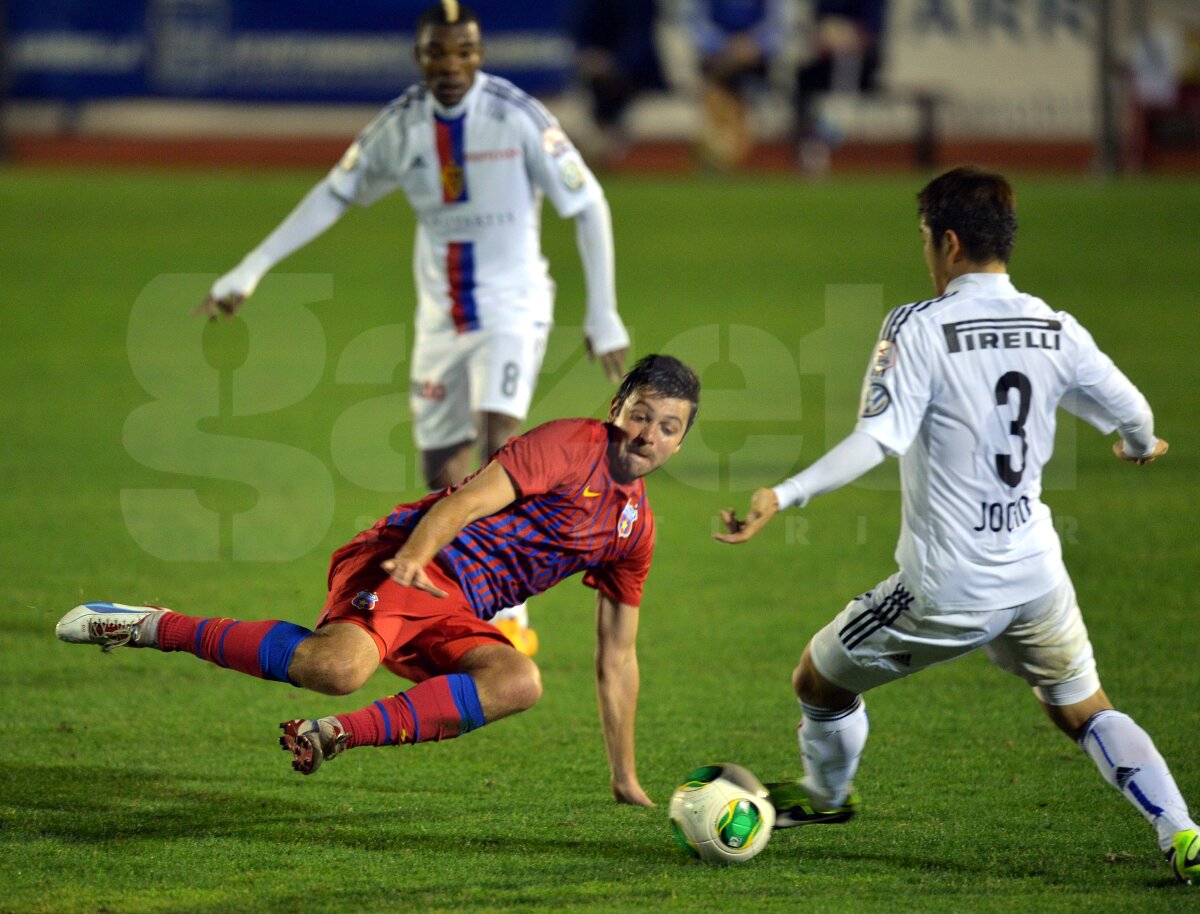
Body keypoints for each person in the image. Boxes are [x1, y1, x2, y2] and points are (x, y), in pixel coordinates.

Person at [714, 167, 1199, 884]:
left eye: (923, 239)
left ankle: (826, 796)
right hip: (1035, 573)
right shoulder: (1055, 325)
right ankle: (1183, 831)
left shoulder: (922, 326)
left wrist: (784, 494)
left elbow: (878, 439)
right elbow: (1135, 414)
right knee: (1083, 709)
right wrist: (1134, 446)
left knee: (817, 680)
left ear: (947, 242)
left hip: (948, 587)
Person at [57, 355, 700, 805]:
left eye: (668, 427)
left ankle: (337, 734)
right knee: (335, 670)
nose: (648, 434)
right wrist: (416, 555)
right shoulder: (567, 444)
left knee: (518, 680)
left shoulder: (633, 531)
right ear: (617, 408)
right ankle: (149, 624)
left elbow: (618, 657)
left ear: (679, 445)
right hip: (408, 556)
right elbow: (466, 502)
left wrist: (625, 775)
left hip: (461, 605)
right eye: (641, 415)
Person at [195, 1, 633, 654]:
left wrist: (603, 310)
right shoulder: (401, 126)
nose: (451, 66)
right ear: (419, 58)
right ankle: (464, 580)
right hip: (441, 317)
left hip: (514, 306)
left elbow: (587, 199)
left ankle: (508, 606)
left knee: (498, 444)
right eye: (437, 53)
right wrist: (252, 267)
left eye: (463, 53)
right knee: (440, 468)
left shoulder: (515, 116)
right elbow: (336, 191)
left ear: (479, 56)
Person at [686, 0, 790, 170]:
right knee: (717, 83)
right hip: (716, 60)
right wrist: (725, 45)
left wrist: (754, 44)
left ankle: (729, 150)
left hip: (757, 63)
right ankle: (721, 148)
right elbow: (695, 24)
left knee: (728, 85)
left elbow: (779, 25)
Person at [569, 0, 668, 167]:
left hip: (639, 72)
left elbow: (642, 37)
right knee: (598, 82)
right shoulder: (590, 6)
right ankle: (602, 146)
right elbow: (581, 33)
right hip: (598, 75)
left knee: (615, 86)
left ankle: (608, 147)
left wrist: (617, 65)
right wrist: (591, 57)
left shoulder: (641, 5)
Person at [793, 1, 885, 176]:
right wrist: (826, 36)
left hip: (861, 65)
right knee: (803, 78)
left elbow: (872, 32)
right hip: (826, 63)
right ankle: (810, 143)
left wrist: (847, 36)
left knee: (846, 64)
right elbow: (818, 28)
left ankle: (825, 139)